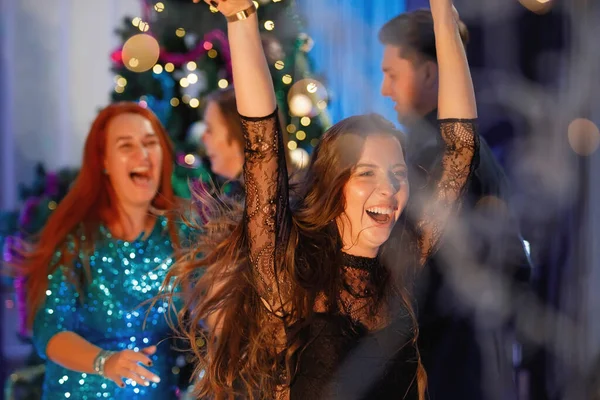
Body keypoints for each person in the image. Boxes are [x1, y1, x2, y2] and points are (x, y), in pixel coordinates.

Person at [169, 0, 478, 398]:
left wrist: (442, 17)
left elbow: (461, 149)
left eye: (398, 175)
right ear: (335, 185)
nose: (389, 187)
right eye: (367, 173)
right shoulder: (290, 273)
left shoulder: (405, 261)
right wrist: (240, 17)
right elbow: (263, 147)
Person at [379, 9, 532, 399]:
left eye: (393, 74)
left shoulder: (442, 157)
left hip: (449, 366)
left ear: (431, 73)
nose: (385, 89)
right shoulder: (443, 151)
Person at [14, 102, 187, 399]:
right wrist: (106, 362)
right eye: (126, 145)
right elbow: (50, 331)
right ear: (104, 161)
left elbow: (210, 314)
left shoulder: (182, 234)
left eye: (150, 143)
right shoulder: (77, 240)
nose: (142, 155)